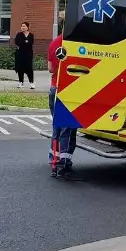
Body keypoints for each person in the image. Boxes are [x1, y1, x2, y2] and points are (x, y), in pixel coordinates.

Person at [48, 18, 76, 179]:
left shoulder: (54, 43)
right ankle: (62, 166)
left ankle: (53, 161)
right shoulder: (73, 45)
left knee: (57, 129)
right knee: (67, 130)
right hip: (68, 90)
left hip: (54, 89)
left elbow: (51, 68)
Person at [14, 22, 36, 89]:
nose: (22, 27)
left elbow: (30, 43)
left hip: (28, 54)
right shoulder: (19, 34)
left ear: (27, 27)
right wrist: (25, 42)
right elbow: (17, 42)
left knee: (29, 68)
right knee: (20, 68)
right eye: (22, 26)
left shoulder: (31, 35)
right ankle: (21, 82)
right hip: (20, 54)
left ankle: (31, 82)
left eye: (24, 26)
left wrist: (24, 42)